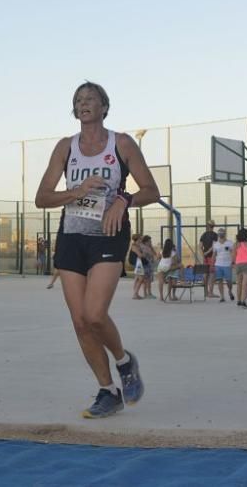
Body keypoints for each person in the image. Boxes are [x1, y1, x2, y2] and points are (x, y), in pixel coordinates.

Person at [34, 81, 159, 419]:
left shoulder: (122, 144)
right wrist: (74, 191)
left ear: (104, 107)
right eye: (78, 100)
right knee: (79, 322)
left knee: (94, 315)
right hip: (72, 235)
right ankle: (108, 391)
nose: (84, 103)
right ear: (75, 110)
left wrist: (124, 198)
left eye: (90, 99)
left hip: (109, 233)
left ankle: (124, 361)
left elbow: (152, 190)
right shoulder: (65, 147)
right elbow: (42, 197)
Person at [231, 228, 247, 309]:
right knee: (245, 284)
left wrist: (233, 263)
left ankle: (238, 300)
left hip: (238, 264)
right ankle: (243, 301)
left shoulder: (236, 244)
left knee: (239, 283)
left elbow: (233, 255)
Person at [210, 227, 234, 302]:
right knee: (219, 280)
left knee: (228, 281)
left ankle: (230, 291)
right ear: (218, 234)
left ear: (225, 234)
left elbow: (233, 253)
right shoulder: (215, 244)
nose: (221, 234)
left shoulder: (230, 243)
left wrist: (232, 262)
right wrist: (212, 264)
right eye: (220, 233)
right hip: (218, 264)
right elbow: (214, 255)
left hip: (227, 264)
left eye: (222, 233)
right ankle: (222, 296)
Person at [199, 222, 218, 298]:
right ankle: (211, 292)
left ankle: (205, 292)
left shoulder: (203, 235)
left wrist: (203, 255)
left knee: (205, 274)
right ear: (213, 226)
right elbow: (213, 247)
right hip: (211, 257)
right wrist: (206, 253)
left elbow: (200, 246)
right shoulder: (215, 235)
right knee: (212, 275)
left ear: (207, 226)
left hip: (205, 258)